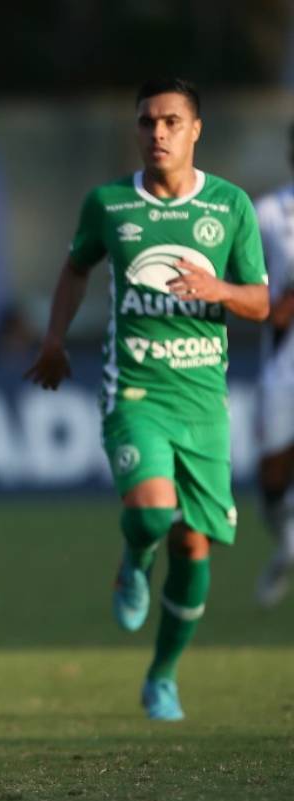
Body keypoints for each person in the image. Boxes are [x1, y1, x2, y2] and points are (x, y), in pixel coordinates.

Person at [27, 78, 269, 720]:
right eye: (145, 123)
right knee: (155, 518)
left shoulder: (230, 205)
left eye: (169, 122)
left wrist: (217, 289)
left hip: (204, 402)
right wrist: (54, 338)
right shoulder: (109, 204)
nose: (156, 134)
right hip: (135, 389)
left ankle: (162, 676)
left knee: (194, 548)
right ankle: (133, 562)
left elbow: (263, 301)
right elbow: (77, 267)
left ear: (195, 130)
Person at [252, 128, 294, 608]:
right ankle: (287, 548)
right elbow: (246, 286)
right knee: (272, 477)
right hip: (282, 368)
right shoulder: (267, 214)